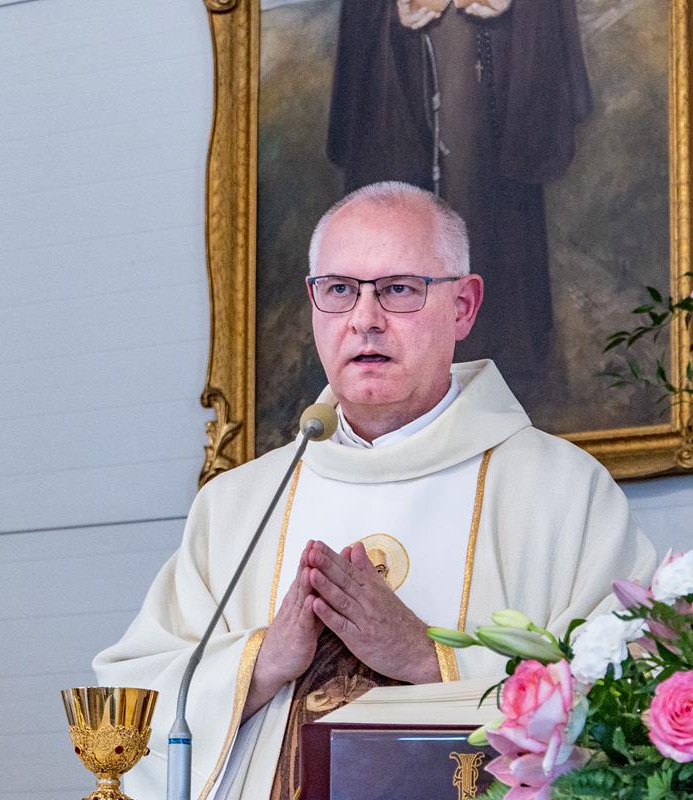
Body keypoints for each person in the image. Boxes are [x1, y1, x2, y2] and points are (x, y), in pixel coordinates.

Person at [94, 182, 655, 800]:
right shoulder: (238, 505)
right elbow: (133, 702)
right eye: (339, 290)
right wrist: (263, 660)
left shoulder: (561, 491)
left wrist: (427, 659)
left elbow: (630, 692)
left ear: (463, 306)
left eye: (398, 289)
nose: (364, 319)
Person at [326, 0, 593, 403]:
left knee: (487, 209)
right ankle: (406, 374)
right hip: (406, 54)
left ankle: (503, 373)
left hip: (494, 48)